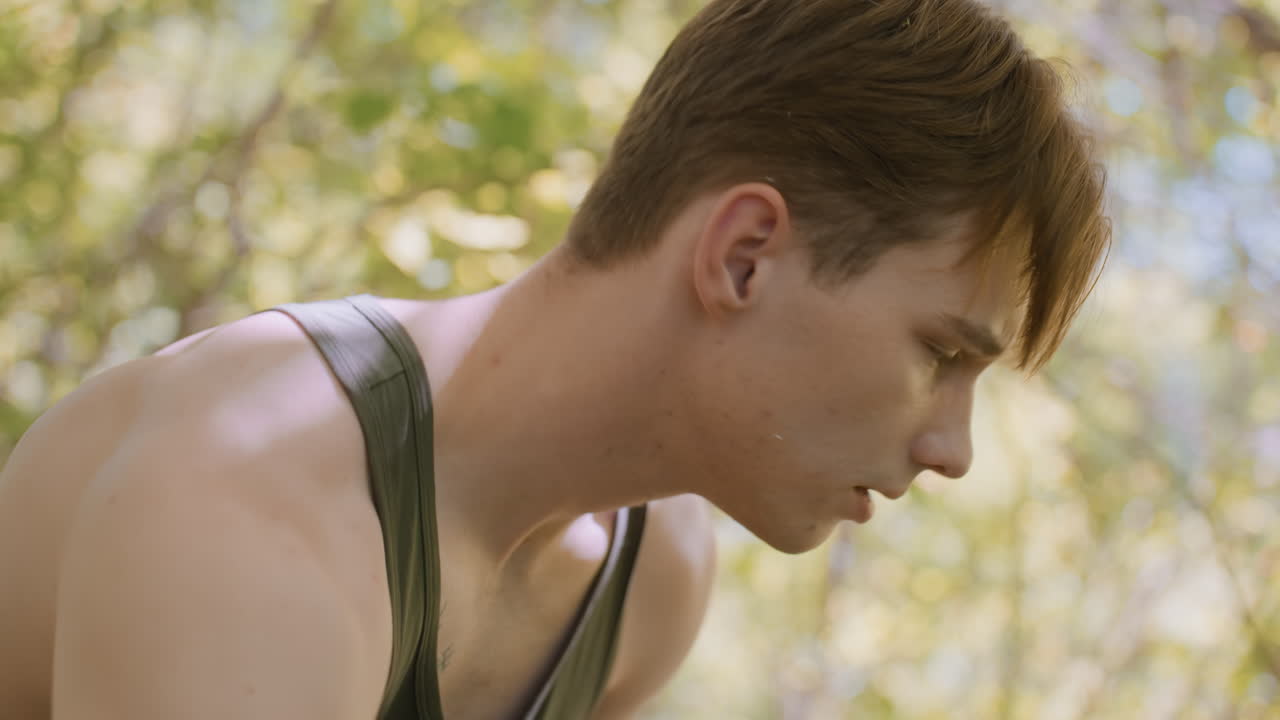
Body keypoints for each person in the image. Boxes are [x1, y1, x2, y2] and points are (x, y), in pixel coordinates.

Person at [0, 0, 1111, 717]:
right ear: (743, 256)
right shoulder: (249, 500)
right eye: (939, 354)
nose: (951, 448)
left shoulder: (649, 584)